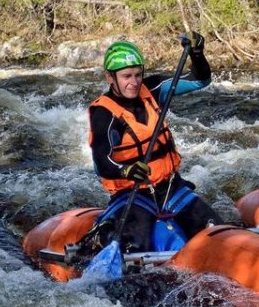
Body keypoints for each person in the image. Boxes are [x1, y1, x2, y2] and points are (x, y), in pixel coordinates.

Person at [86, 34, 221, 253]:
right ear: (110, 78)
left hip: (171, 188)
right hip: (134, 194)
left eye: (138, 75)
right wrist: (126, 170)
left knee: (217, 231)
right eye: (126, 76)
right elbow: (102, 161)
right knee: (135, 246)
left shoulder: (154, 88)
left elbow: (200, 80)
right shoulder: (104, 113)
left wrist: (197, 54)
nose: (134, 82)